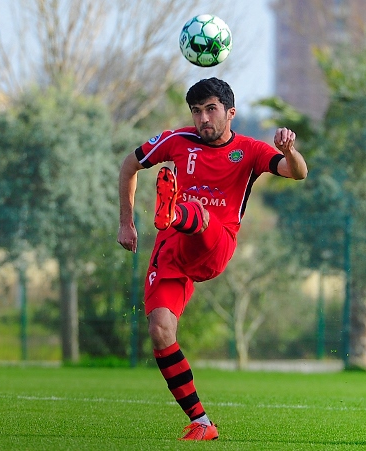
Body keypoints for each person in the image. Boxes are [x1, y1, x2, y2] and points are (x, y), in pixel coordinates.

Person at [116, 77, 308, 441]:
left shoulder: (250, 150)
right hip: (172, 248)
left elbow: (297, 172)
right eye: (196, 111)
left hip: (215, 244)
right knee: (160, 331)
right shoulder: (177, 140)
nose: (203, 118)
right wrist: (126, 223)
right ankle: (202, 423)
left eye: (210, 109)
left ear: (230, 113)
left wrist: (290, 150)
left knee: (199, 213)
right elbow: (129, 165)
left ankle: (174, 211)